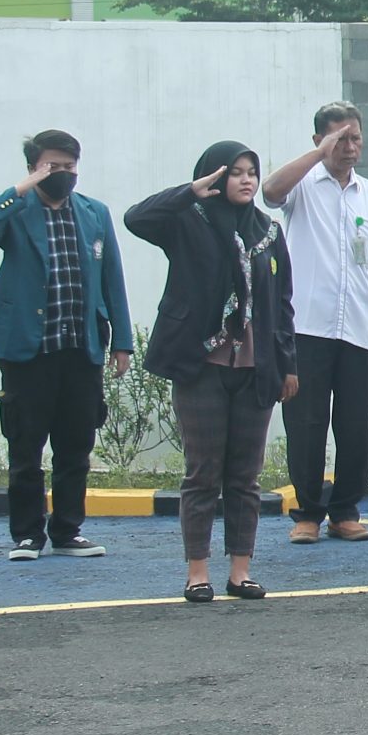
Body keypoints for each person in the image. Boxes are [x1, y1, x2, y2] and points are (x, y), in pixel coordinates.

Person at [128, 144, 300, 604]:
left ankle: (240, 572)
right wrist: (190, 192)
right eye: (235, 172)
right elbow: (136, 218)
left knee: (245, 476)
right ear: (215, 176)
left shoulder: (268, 231)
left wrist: (288, 364)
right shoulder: (189, 220)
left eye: (252, 172)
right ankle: (197, 572)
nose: (246, 181)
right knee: (203, 473)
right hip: (200, 365)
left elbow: (282, 303)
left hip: (255, 368)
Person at [0, 127, 137, 563]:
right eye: (51, 166)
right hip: (28, 351)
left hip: (81, 349)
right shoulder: (17, 209)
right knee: (25, 447)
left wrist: (122, 342)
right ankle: (27, 534)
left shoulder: (94, 213)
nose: (62, 173)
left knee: (75, 447)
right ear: (33, 169)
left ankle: (68, 530)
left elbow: (112, 278)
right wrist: (19, 190)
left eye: (68, 166)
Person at [263, 103, 368, 545]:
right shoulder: (303, 185)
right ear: (320, 140)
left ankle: (345, 511)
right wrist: (318, 154)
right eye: (340, 139)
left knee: (355, 424)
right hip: (308, 325)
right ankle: (307, 513)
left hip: (358, 324)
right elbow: (270, 191)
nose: (350, 146)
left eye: (355, 137)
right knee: (306, 421)